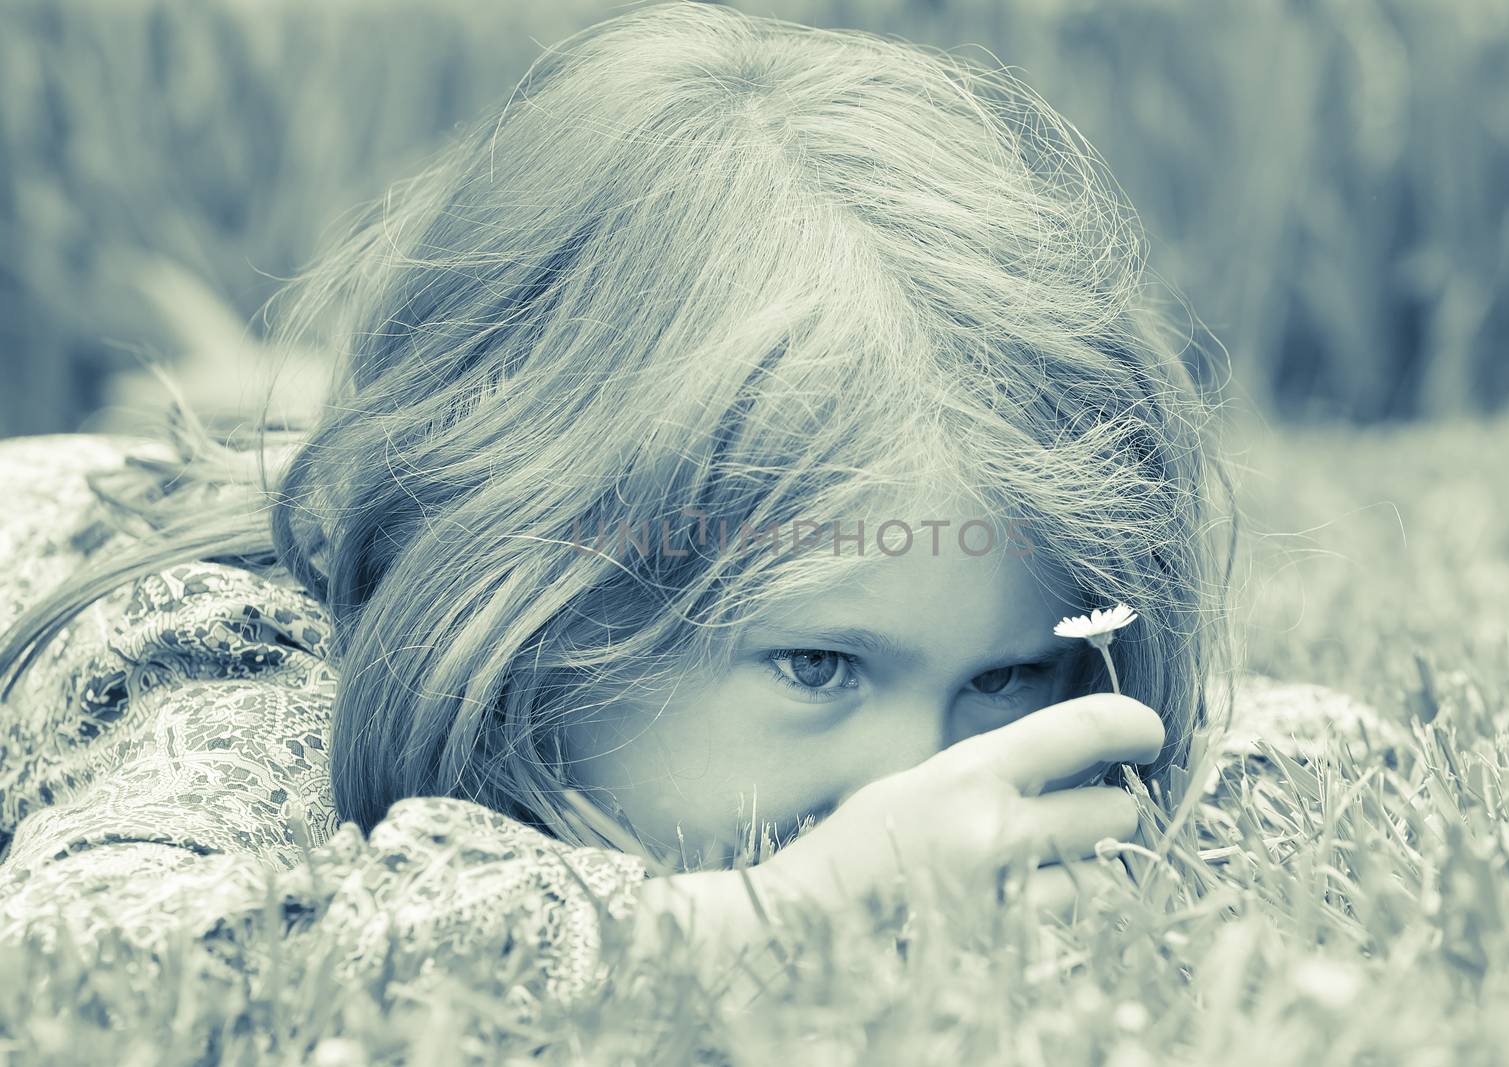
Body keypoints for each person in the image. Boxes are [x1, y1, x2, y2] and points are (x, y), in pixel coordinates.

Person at [0, 1, 1372, 1006]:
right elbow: (98, 964)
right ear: (535, 612)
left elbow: (1307, 749)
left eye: (1007, 673)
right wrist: (761, 920)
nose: (923, 783)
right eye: (820, 664)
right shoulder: (232, 669)